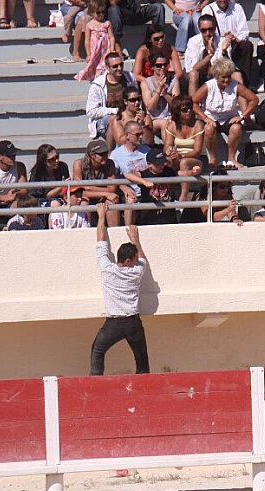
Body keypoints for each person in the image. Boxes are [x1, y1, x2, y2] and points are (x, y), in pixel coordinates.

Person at [90, 201, 150, 376]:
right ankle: (144, 384)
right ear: (128, 261)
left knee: (97, 350)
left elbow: (101, 243)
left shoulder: (107, 269)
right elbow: (144, 260)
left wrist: (101, 216)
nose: (137, 261)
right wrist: (135, 240)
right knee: (141, 357)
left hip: (114, 323)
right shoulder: (137, 271)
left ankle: (95, 381)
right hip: (133, 322)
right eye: (134, 259)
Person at [192, 58, 259, 168]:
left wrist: (242, 116)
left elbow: (254, 99)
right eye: (223, 77)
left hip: (229, 118)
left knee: (236, 128)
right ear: (217, 76)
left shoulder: (236, 86)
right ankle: (213, 158)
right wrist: (205, 118)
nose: (227, 80)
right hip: (212, 117)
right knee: (208, 129)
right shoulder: (209, 85)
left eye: (229, 76)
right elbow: (194, 102)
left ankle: (231, 159)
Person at [200, 0, 254, 88]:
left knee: (247, 45)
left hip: (234, 44)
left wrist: (235, 38)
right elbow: (206, 31)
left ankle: (246, 82)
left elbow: (244, 32)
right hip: (216, 44)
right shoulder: (208, 9)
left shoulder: (237, 8)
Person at [85, 52, 137, 140]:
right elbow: (91, 111)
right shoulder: (97, 85)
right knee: (115, 120)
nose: (119, 68)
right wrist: (114, 111)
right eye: (115, 66)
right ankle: (112, 148)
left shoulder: (130, 78)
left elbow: (136, 98)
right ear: (107, 68)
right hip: (104, 120)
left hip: (127, 115)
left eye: (121, 64)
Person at [124, 148, 179, 226]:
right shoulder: (145, 174)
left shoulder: (168, 171)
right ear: (149, 164)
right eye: (158, 163)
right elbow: (128, 175)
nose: (162, 165)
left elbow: (181, 174)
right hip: (149, 218)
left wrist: (193, 172)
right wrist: (144, 181)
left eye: (163, 162)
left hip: (169, 218)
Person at [73, 139, 120, 225]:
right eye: (102, 154)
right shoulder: (79, 164)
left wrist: (88, 187)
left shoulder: (110, 164)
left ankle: (114, 231)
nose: (105, 156)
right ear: (92, 155)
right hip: (89, 197)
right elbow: (78, 192)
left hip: (101, 198)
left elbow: (112, 189)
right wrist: (105, 193)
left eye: (106, 153)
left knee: (111, 202)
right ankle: (86, 231)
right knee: (84, 203)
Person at [184, 15, 231, 96]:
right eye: (204, 30)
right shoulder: (193, 41)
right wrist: (210, 55)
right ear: (199, 29)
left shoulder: (223, 41)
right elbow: (194, 68)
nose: (207, 33)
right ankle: (192, 103)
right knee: (193, 74)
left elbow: (228, 68)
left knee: (237, 75)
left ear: (215, 28)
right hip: (198, 77)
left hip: (217, 76)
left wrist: (224, 51)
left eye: (210, 29)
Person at [162, 95, 205, 176]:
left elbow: (197, 151)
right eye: (185, 109)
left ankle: (184, 185)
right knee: (166, 161)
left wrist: (181, 155)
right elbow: (167, 146)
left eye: (190, 108)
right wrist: (169, 152)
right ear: (177, 111)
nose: (189, 111)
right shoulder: (172, 126)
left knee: (184, 162)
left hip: (194, 160)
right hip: (176, 158)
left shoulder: (198, 125)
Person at [141, 53, 181, 140]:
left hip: (171, 116)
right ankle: (168, 147)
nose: (162, 67)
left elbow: (177, 105)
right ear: (152, 67)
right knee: (164, 123)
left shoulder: (173, 80)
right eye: (159, 65)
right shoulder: (146, 83)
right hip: (153, 119)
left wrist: (165, 94)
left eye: (165, 65)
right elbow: (150, 107)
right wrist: (159, 90)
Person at [75, 0, 116, 82]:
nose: (101, 14)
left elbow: (111, 37)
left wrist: (112, 49)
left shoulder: (107, 23)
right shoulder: (89, 25)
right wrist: (88, 54)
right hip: (95, 49)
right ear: (92, 13)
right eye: (98, 13)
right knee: (94, 64)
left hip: (105, 49)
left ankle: (105, 79)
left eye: (103, 12)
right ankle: (95, 78)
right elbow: (87, 41)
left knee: (104, 65)